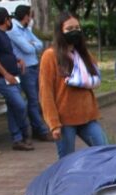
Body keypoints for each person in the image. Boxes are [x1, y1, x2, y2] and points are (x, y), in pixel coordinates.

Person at [39, 12, 107, 158]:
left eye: (77, 28)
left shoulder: (82, 54)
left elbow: (94, 78)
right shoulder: (50, 56)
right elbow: (46, 92)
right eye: (69, 29)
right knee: (66, 161)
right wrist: (54, 124)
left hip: (87, 117)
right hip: (65, 121)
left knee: (106, 152)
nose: (74, 31)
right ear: (60, 32)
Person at [0, 7, 33, 151]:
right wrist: (5, 73)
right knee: (20, 104)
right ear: (6, 20)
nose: (11, 21)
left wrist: (17, 60)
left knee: (13, 106)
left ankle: (17, 139)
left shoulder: (4, 34)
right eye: (9, 19)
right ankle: (25, 131)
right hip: (2, 78)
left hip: (13, 76)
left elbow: (5, 54)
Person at [7, 5, 51, 143]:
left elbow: (39, 44)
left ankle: (38, 128)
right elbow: (27, 48)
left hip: (33, 66)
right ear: (25, 16)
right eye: (30, 16)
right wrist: (32, 44)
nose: (31, 19)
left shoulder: (26, 29)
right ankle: (40, 130)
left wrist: (32, 44)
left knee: (38, 98)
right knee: (32, 100)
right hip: (24, 69)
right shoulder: (14, 30)